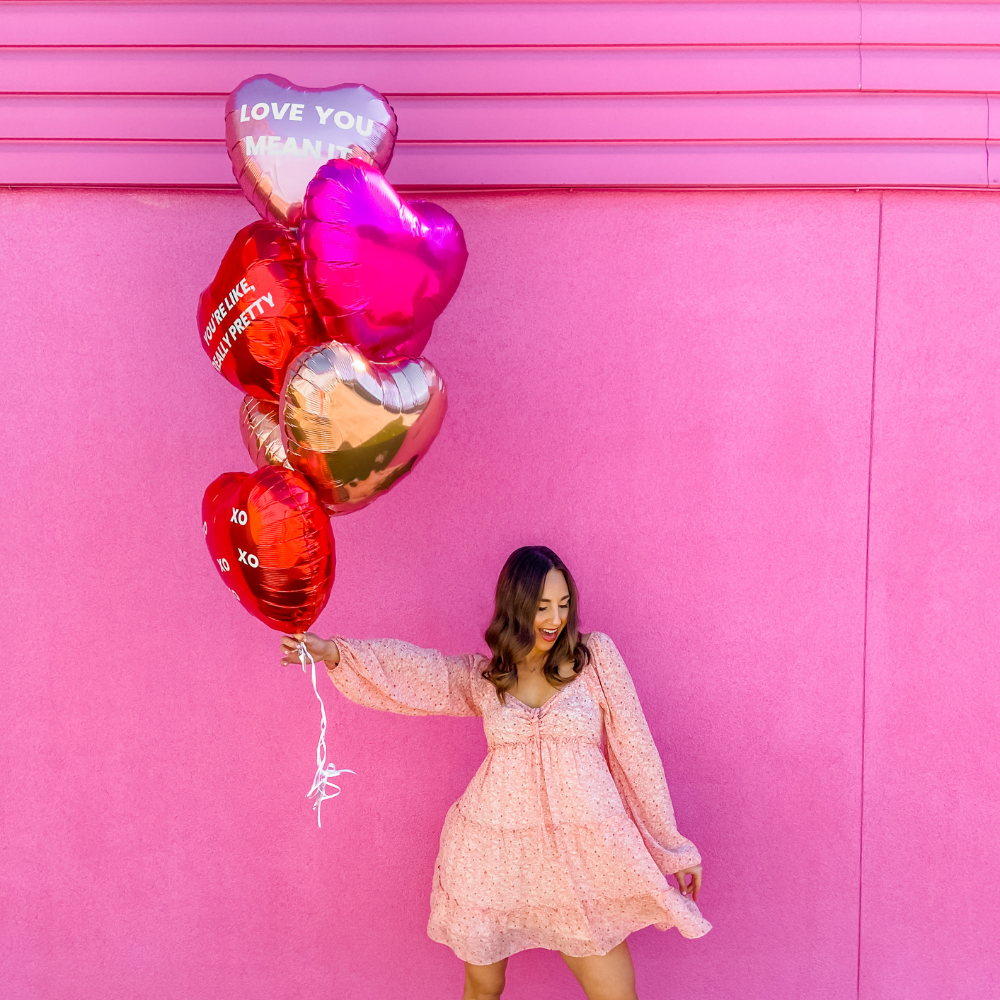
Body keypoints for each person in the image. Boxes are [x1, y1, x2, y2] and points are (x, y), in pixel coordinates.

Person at [280, 545, 710, 1000]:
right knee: (484, 988)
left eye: (563, 604)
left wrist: (673, 849)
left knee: (616, 994)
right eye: (542, 606)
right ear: (516, 606)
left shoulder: (594, 658)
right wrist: (333, 653)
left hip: (580, 859)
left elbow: (635, 753)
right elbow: (423, 675)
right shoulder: (489, 677)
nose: (555, 618)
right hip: (493, 856)